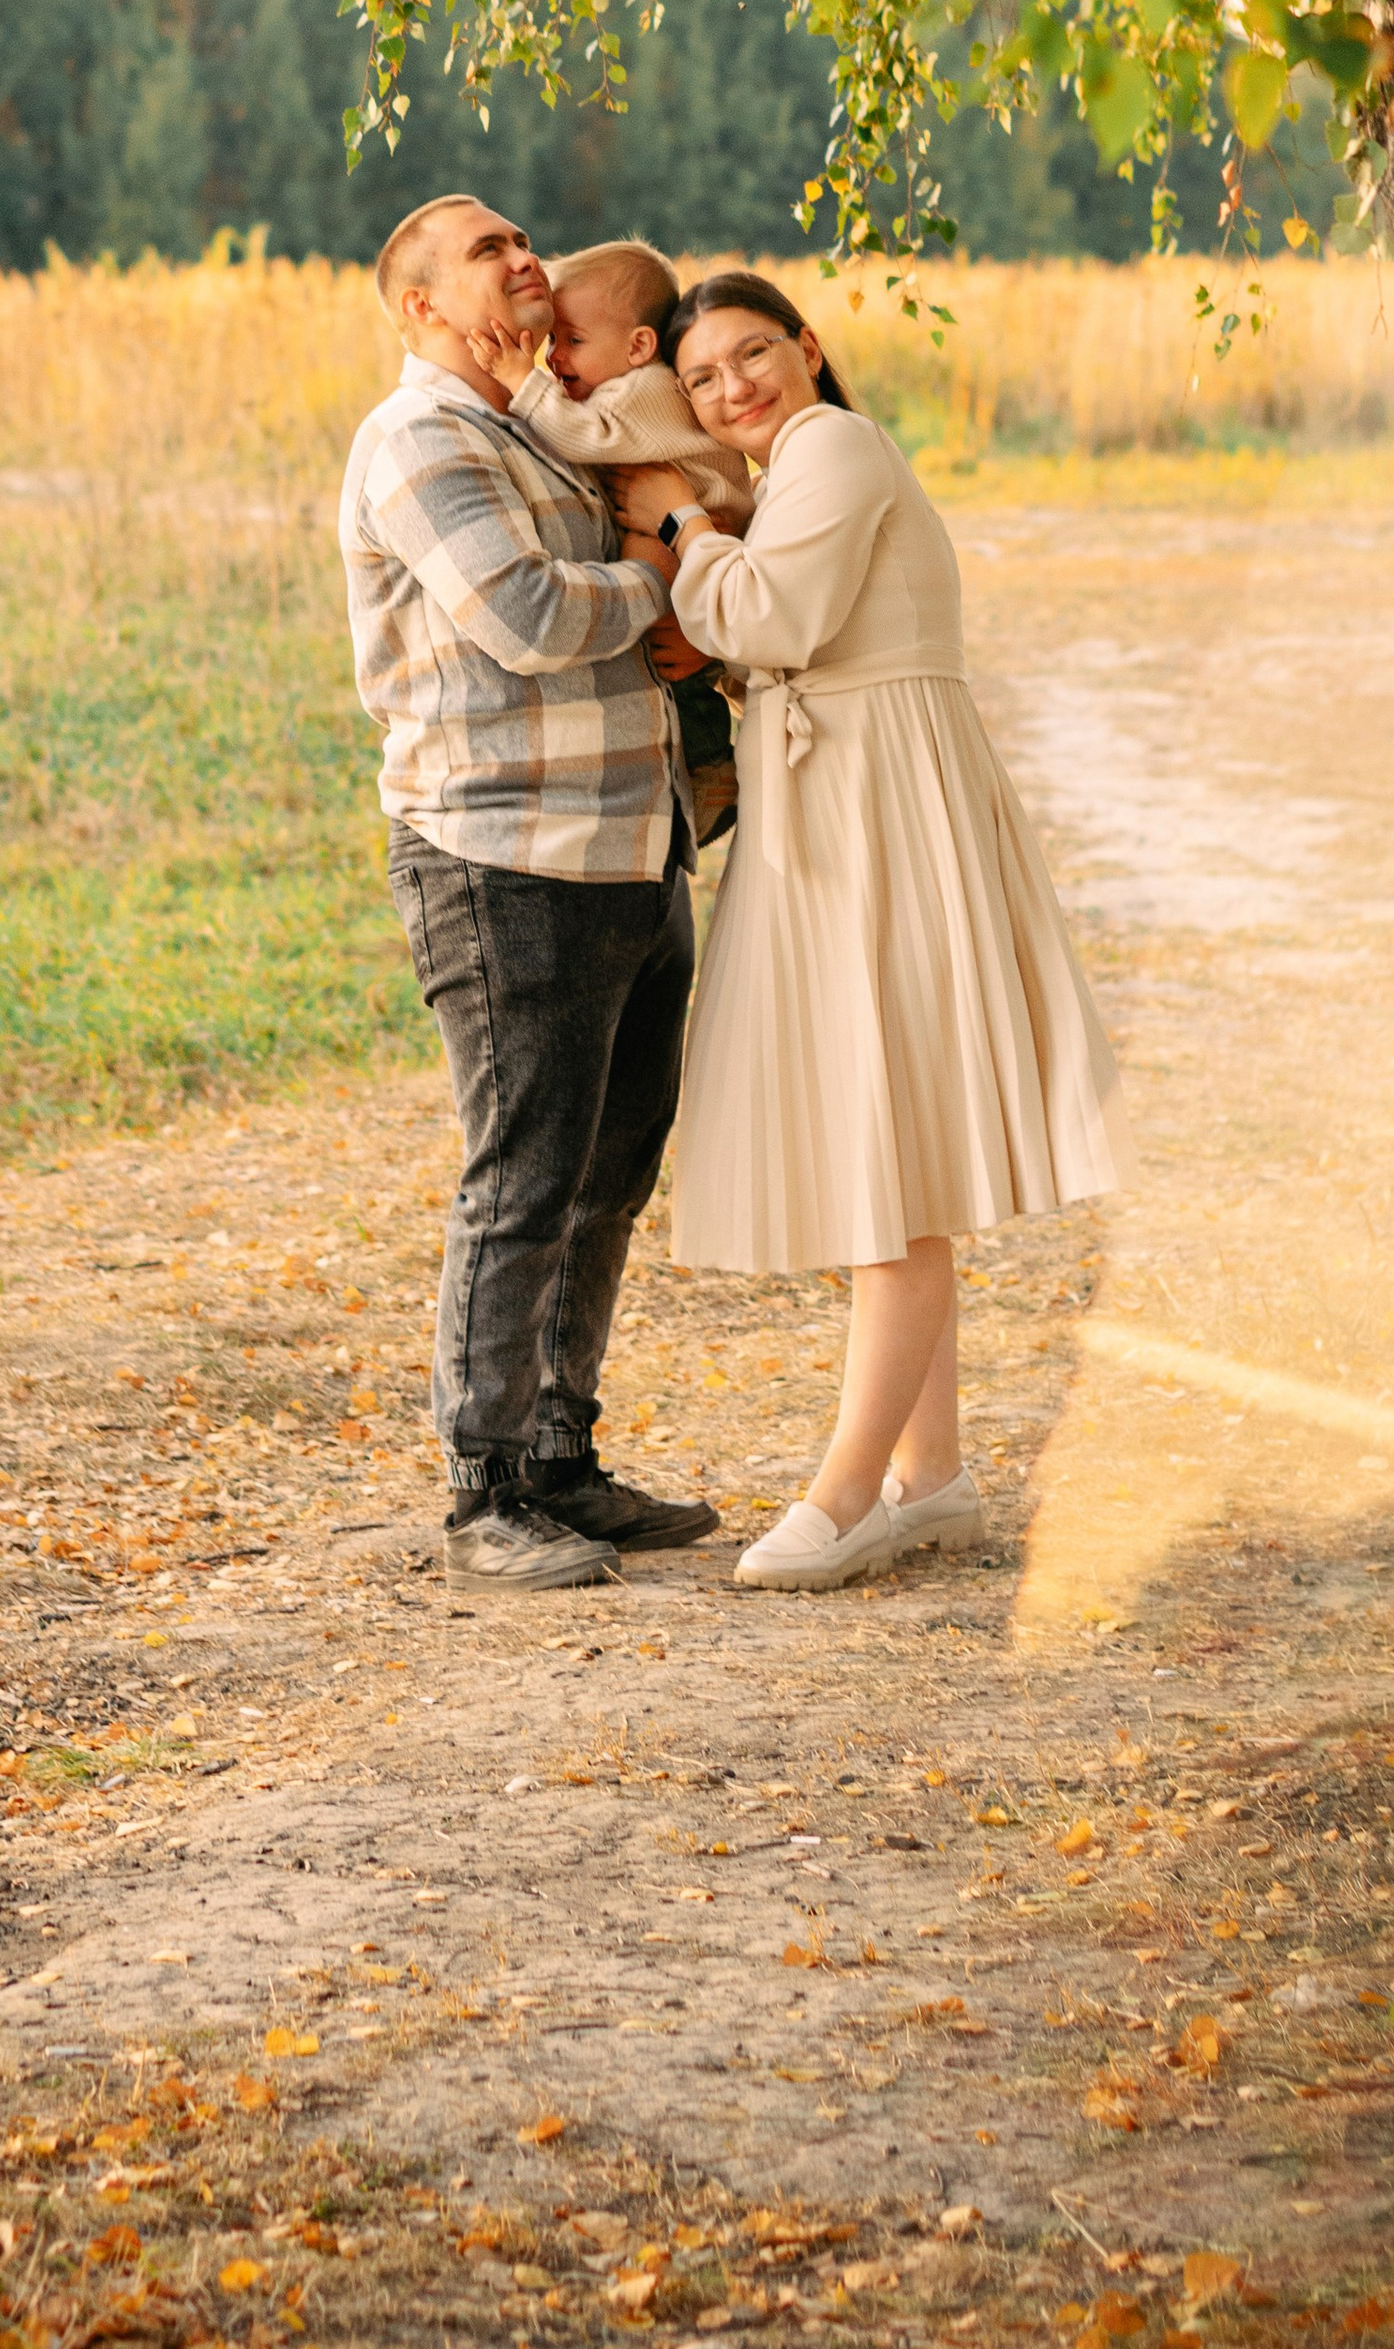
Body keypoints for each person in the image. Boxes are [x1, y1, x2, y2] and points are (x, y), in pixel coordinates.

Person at [617, 271, 1127, 1596]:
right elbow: (776, 631)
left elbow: (773, 619)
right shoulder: (790, 473)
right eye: (707, 378)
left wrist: (675, 517)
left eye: (754, 355)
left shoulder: (834, 444)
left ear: (809, 348)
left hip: (882, 816)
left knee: (887, 1156)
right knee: (883, 1144)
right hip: (845, 814)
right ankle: (932, 1476)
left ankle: (846, 1497)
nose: (736, 388)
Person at [338, 193, 723, 1592]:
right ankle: (481, 1487)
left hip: (628, 849)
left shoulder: (532, 423)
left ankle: (562, 1454)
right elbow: (534, 619)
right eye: (490, 251)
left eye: (524, 242)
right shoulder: (419, 440)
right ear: (422, 307)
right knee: (524, 1177)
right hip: (506, 863)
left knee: (608, 1174)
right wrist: (656, 567)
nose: (526, 259)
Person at [463, 235, 752, 844]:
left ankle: (712, 770)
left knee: (683, 669)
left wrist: (521, 381)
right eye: (550, 345)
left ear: (639, 346)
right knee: (676, 663)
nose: (553, 360)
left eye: (572, 341)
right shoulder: (624, 384)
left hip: (704, 538)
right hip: (684, 546)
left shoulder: (644, 389)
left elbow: (584, 438)